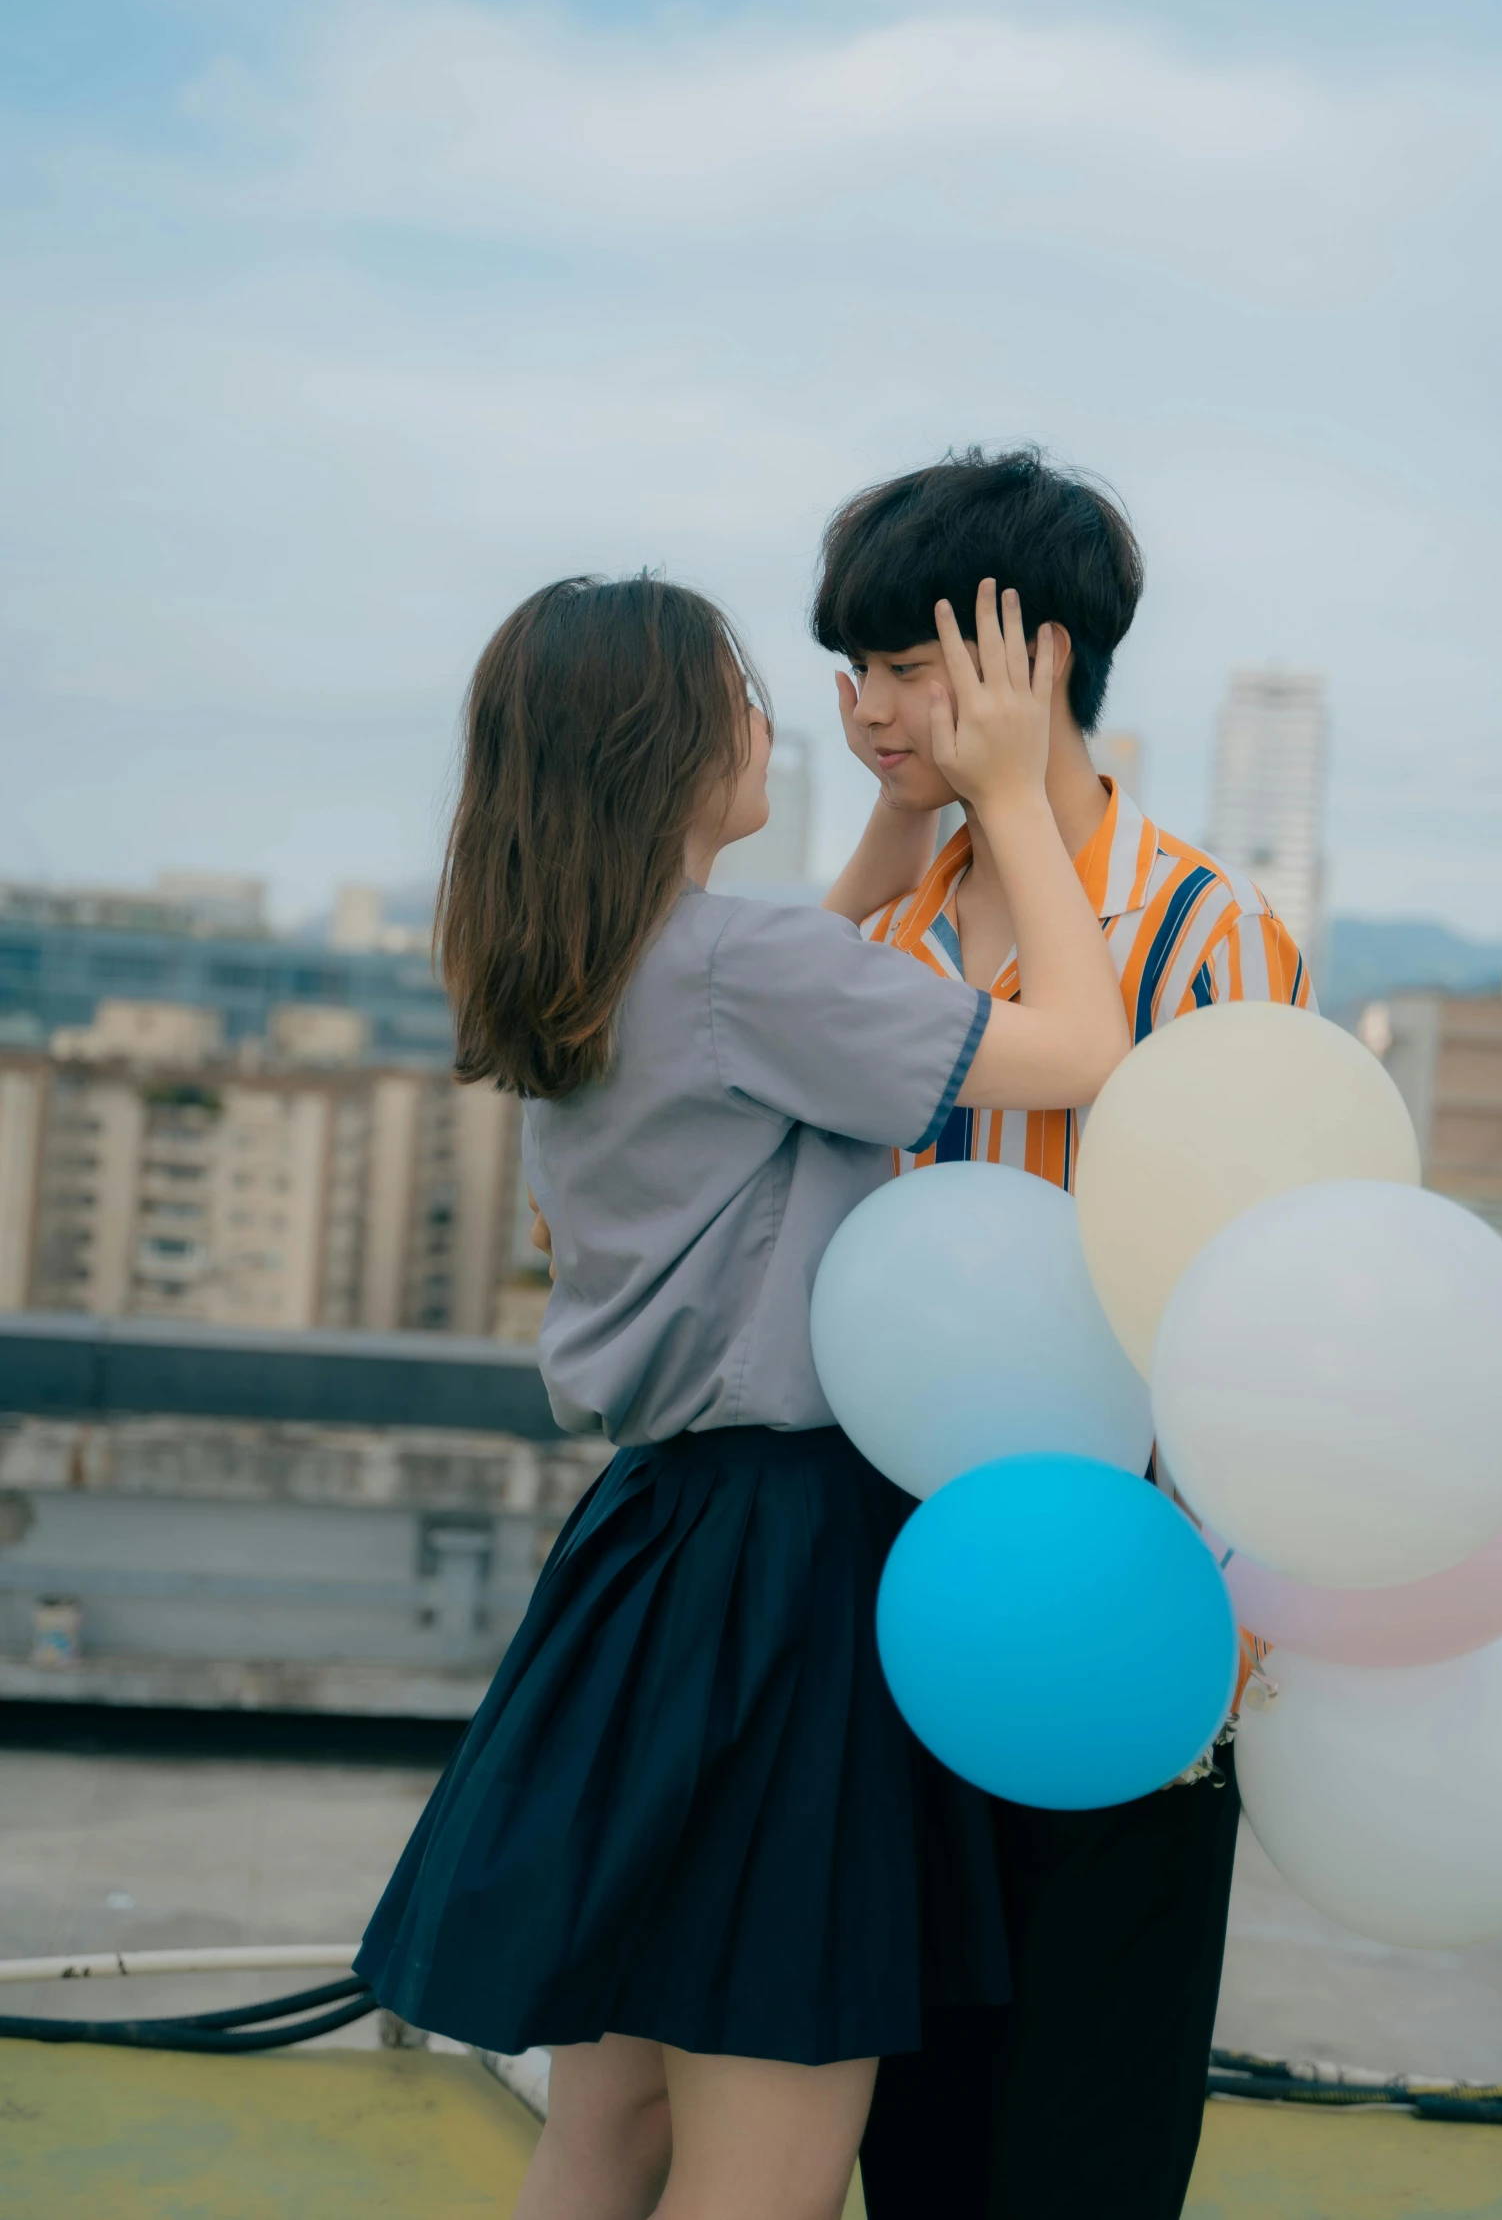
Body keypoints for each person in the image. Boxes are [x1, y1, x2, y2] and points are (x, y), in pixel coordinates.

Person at [354, 569, 1130, 2220]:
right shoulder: (739, 967)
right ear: (665, 738)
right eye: (739, 691)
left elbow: (797, 970)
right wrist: (1002, 793)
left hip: (657, 1549)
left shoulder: (580, 951)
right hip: (795, 1566)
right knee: (771, 2155)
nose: (778, 716)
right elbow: (1079, 1046)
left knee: (609, 2124)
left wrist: (886, 845)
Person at [812, 448, 1316, 2220]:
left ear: (1028, 659)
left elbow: (1262, 1284)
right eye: (848, 673)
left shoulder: (1206, 930)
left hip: (1134, 1626)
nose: (867, 710)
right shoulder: (875, 930)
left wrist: (1229, 1598)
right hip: (900, 1620)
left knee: (1084, 2155)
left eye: (902, 663)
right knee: (920, 2147)